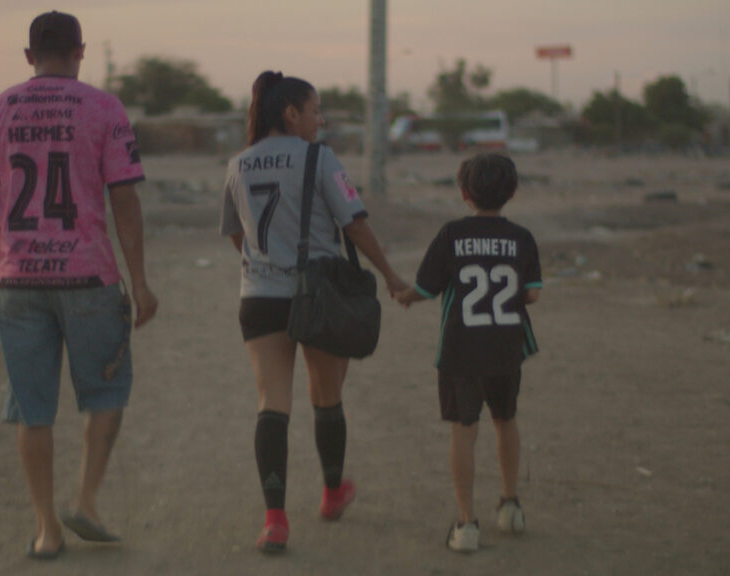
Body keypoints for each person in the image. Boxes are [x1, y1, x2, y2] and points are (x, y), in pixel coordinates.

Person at [0, 11, 158, 560]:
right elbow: (125, 197)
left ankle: (47, 529)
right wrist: (140, 281)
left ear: (29, 56)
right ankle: (87, 502)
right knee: (106, 394)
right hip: (88, 276)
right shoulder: (103, 108)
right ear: (80, 51)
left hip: (18, 281)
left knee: (33, 409)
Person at [219, 71, 408, 553]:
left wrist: (266, 262)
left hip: (258, 296)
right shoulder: (319, 158)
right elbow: (357, 225)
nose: (320, 120)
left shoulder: (238, 164)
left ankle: (276, 520)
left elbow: (236, 234)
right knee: (327, 396)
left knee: (271, 403)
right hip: (317, 293)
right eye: (316, 110)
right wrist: (389, 275)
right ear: (291, 114)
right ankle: (330, 493)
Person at [396, 152, 542, 553]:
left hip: (461, 350)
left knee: (464, 429)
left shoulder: (451, 235)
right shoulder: (522, 238)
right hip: (507, 347)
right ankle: (511, 506)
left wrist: (404, 295)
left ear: (463, 193)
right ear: (511, 192)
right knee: (505, 419)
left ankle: (466, 525)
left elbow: (426, 289)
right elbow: (531, 293)